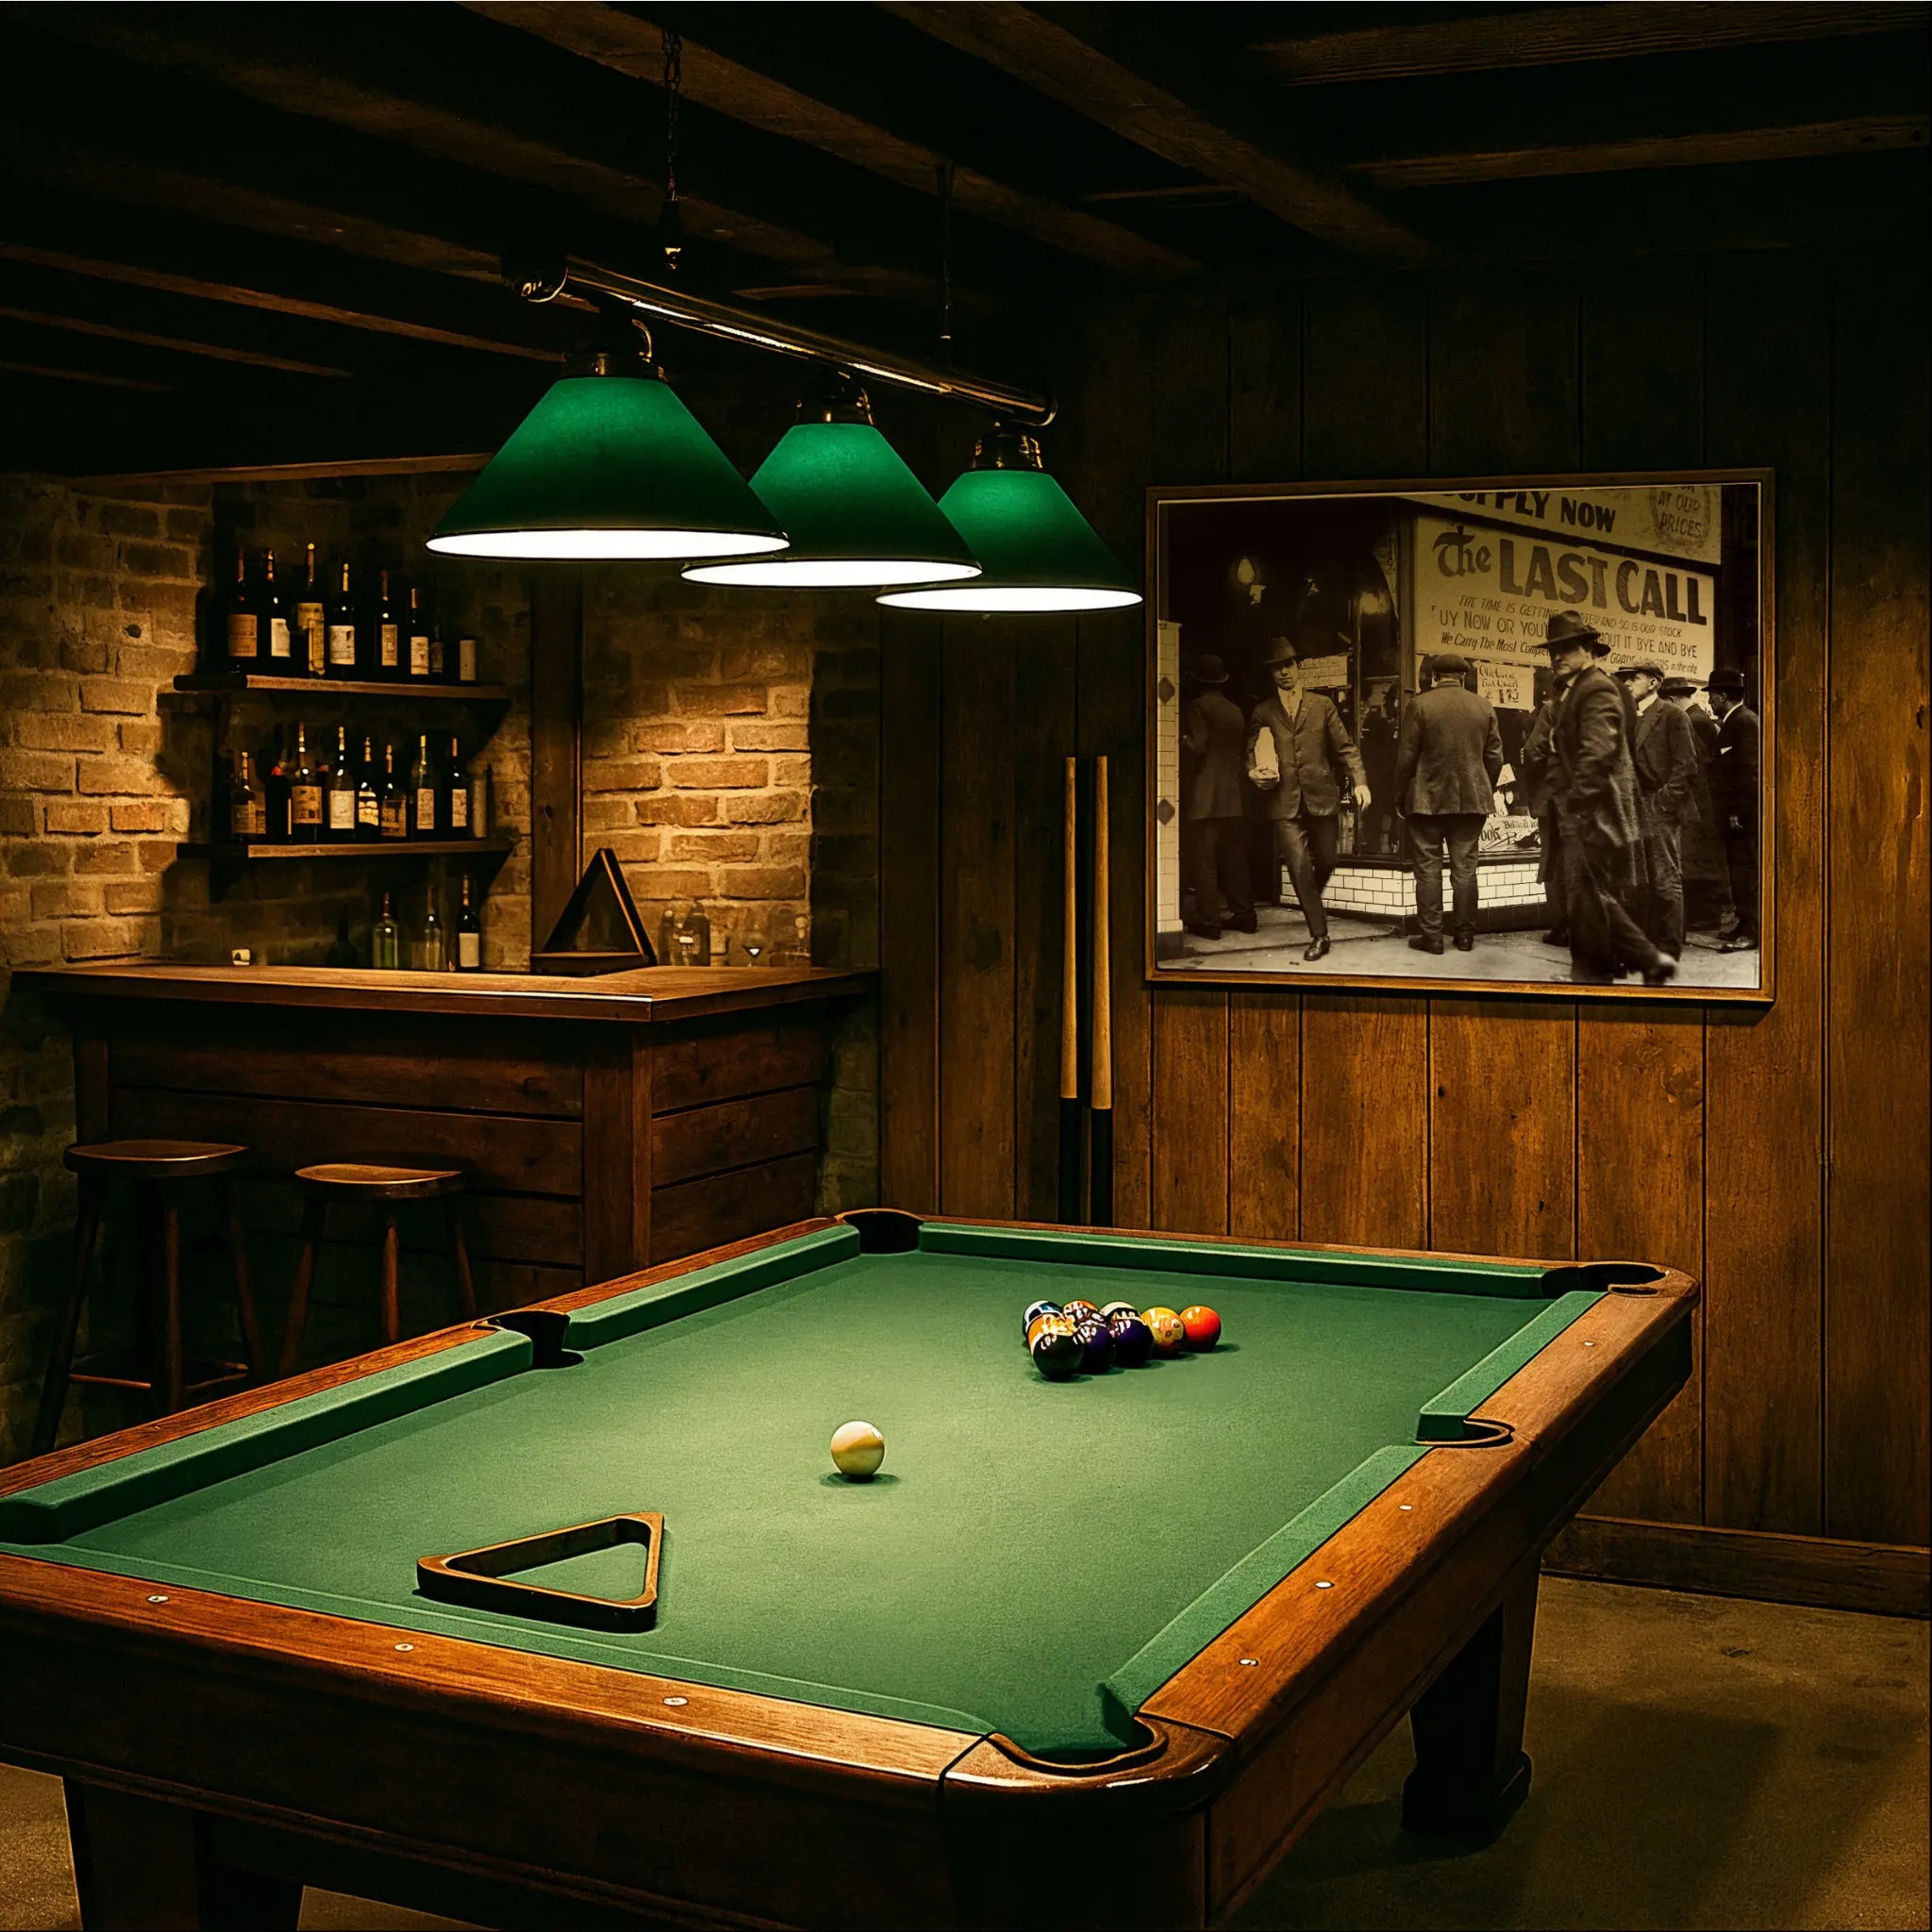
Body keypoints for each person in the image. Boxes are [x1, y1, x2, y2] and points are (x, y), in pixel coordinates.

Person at [1539, 611, 1674, 987]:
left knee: (1588, 891)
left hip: (1596, 809)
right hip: (1592, 806)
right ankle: (1642, 961)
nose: (1557, 657)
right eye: (1552, 650)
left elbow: (1598, 753)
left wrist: (1579, 804)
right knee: (1589, 892)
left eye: (1567, 649)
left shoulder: (1596, 689)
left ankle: (1601, 972)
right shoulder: (1576, 689)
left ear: (1588, 649)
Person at [1246, 639, 1370, 963]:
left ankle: (1309, 898)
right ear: (1272, 674)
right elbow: (1251, 751)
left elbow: (1345, 747)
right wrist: (1252, 771)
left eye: (1288, 665)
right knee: (1299, 866)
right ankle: (1320, 934)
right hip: (1283, 802)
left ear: (1298, 667)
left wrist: (1360, 781)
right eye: (1277, 668)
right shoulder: (1263, 711)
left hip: (1321, 797)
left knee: (1327, 859)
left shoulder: (1322, 705)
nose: (1284, 672)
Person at [1393, 653, 1503, 955]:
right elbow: (1495, 757)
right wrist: (1483, 788)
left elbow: (1406, 758)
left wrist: (1400, 796)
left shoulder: (1420, 705)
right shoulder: (1483, 706)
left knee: (1428, 870)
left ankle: (1432, 937)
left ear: (1434, 676)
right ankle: (1465, 936)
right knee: (1465, 870)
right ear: (1463, 676)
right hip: (1471, 801)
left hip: (1426, 801)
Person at [1616, 660, 1700, 960]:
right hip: (1633, 810)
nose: (1627, 684)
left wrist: (1662, 804)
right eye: (1625, 679)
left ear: (1653, 683)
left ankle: (1670, 946)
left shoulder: (1673, 715)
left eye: (1634, 678)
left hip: (1660, 810)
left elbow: (1686, 768)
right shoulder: (1629, 717)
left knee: (1666, 879)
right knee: (1638, 881)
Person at [1178, 653, 1254, 941]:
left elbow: (1197, 747)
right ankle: (1245, 915)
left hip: (1206, 795)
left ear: (1197, 681)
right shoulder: (1235, 710)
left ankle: (1210, 922)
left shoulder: (1197, 706)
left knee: (1204, 859)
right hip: (1234, 793)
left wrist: (1181, 741)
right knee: (1234, 857)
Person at [1659, 673, 1731, 933]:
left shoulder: (1692, 721)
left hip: (1699, 801)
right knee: (1698, 859)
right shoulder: (1698, 718)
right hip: (1701, 799)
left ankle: (1707, 915)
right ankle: (1704, 914)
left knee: (1698, 860)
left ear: (1671, 700)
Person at [1707, 666, 1760, 952]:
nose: (1710, 701)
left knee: (1746, 871)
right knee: (1737, 871)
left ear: (1724, 696)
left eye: (1712, 695)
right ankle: (1744, 923)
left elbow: (1750, 772)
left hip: (1743, 815)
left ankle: (1753, 931)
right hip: (1734, 815)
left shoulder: (1744, 722)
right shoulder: (1734, 721)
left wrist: (1739, 811)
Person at [1517, 689, 1567, 945]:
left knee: (1554, 862)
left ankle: (1562, 928)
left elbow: (1533, 752)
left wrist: (1537, 791)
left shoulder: (1553, 709)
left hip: (1556, 801)